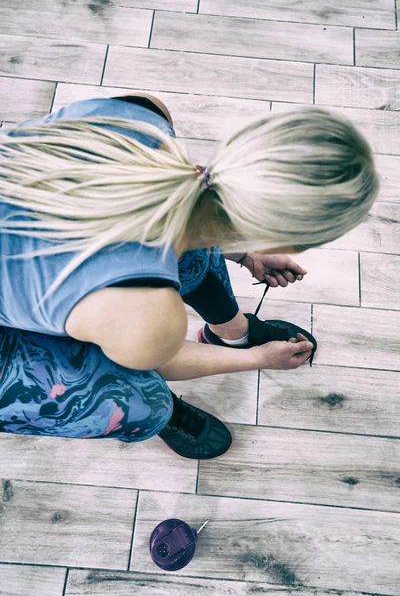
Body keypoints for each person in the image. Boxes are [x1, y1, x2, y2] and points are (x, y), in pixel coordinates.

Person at [0, 94, 379, 460]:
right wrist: (258, 358)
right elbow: (161, 356)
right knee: (138, 401)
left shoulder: (138, 116)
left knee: (193, 244)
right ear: (295, 243)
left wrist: (244, 252)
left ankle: (232, 332)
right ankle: (164, 414)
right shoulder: (145, 315)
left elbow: (190, 220)